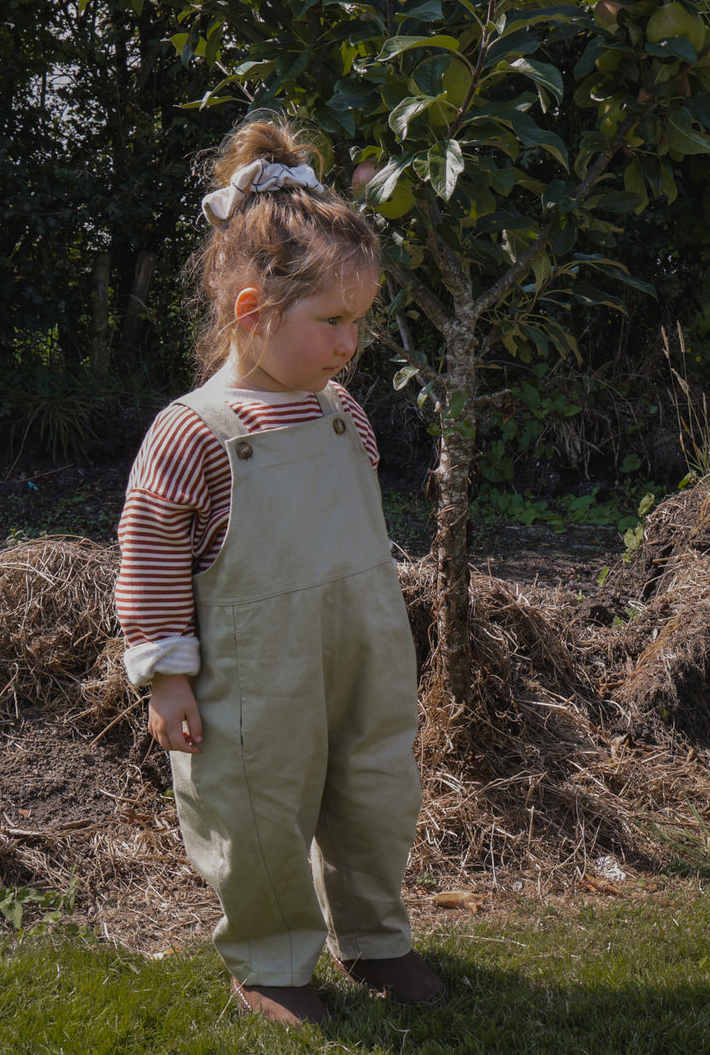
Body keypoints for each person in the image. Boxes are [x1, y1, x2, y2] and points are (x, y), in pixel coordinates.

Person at [116, 116, 445, 1028]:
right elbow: (147, 558)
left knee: (376, 791)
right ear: (253, 312)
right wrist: (168, 676)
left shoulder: (343, 414)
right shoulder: (196, 433)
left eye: (360, 321)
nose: (351, 344)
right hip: (257, 672)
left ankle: (376, 938)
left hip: (361, 652)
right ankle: (270, 960)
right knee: (257, 812)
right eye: (333, 321)